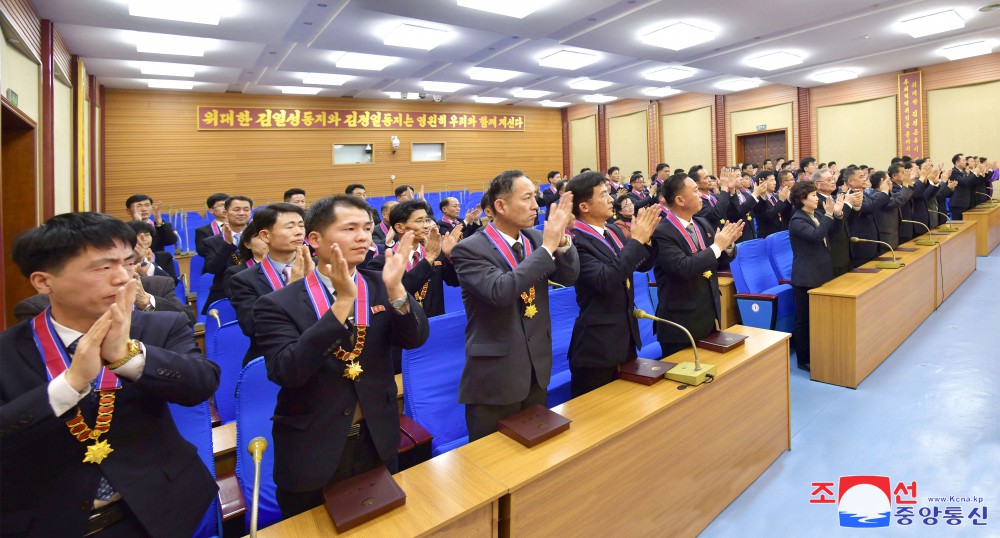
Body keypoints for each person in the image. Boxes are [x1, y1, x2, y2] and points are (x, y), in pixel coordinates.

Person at [2, 212, 220, 537]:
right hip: (49, 519)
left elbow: (201, 385)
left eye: (127, 263)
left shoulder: (159, 325)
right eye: (103, 267)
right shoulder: (9, 351)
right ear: (44, 281)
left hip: (165, 505)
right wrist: (70, 384)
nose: (122, 278)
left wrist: (127, 357)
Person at [252, 195, 429, 519]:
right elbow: (287, 371)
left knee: (384, 523)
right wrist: (341, 306)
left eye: (367, 228)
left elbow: (415, 338)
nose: (363, 236)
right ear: (315, 239)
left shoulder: (380, 284)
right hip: (312, 448)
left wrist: (397, 292)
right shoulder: (278, 304)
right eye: (350, 228)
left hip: (377, 438)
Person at [450, 170, 579, 441]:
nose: (536, 205)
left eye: (536, 197)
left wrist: (563, 239)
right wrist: (547, 248)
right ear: (500, 205)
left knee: (537, 448)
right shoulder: (470, 249)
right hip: (496, 375)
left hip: (536, 366)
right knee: (494, 460)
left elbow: (569, 276)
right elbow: (501, 291)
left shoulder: (533, 238)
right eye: (528, 198)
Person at [566, 172, 658, 396]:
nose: (611, 199)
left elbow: (639, 265)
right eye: (604, 194)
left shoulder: (613, 231)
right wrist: (636, 241)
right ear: (584, 207)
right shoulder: (576, 242)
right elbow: (606, 279)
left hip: (624, 336)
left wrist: (648, 240)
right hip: (596, 347)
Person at [652, 173, 742, 357]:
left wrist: (728, 245)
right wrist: (718, 246)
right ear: (679, 199)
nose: (701, 195)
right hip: (680, 324)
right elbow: (683, 268)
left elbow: (719, 259)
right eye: (695, 191)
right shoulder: (662, 232)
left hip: (708, 315)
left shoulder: (701, 222)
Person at [229, 203, 309, 366]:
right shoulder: (243, 280)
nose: (299, 232)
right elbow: (252, 327)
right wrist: (291, 289)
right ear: (265, 236)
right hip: (272, 360)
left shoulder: (320, 267)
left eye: (301, 225)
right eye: (289, 227)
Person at [369, 199, 462, 318]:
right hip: (403, 330)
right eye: (419, 221)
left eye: (427, 220)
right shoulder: (382, 263)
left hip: (436, 326)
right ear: (399, 227)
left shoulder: (435, 254)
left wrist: (450, 257)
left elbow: (454, 281)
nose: (427, 225)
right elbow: (401, 293)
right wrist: (429, 259)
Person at [788, 181, 842, 372]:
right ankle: (803, 359)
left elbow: (832, 232)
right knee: (805, 319)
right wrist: (829, 214)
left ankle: (820, 351)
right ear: (803, 199)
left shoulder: (817, 214)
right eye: (812, 195)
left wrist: (837, 214)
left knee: (821, 317)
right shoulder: (797, 220)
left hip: (822, 271)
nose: (816, 198)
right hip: (806, 276)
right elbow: (816, 236)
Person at [199, 195, 253, 313]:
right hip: (224, 294)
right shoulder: (212, 242)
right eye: (237, 209)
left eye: (246, 209)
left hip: (256, 290)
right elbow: (213, 268)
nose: (242, 213)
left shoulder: (260, 237)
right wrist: (227, 244)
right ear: (225, 213)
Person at [813, 169, 853, 277]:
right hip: (833, 253)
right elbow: (829, 228)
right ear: (818, 184)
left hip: (844, 249)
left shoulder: (834, 198)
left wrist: (855, 206)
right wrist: (847, 205)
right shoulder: (817, 202)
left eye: (833, 179)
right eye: (829, 179)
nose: (833, 182)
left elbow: (846, 220)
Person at [842, 167, 879, 267]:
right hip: (859, 245)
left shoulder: (865, 194)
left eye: (864, 176)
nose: (864, 179)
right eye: (861, 176)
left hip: (871, 242)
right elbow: (870, 208)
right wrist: (884, 192)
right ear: (851, 181)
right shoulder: (849, 197)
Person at [870, 169, 913, 250]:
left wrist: (908, 181)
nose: (891, 182)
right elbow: (898, 201)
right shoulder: (876, 196)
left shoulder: (890, 194)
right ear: (882, 181)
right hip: (885, 237)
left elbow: (901, 195)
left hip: (894, 235)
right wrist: (905, 183)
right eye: (888, 180)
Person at [221, 220, 266, 296]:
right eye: (261, 237)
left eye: (271, 236)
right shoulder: (235, 273)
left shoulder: (288, 267)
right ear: (248, 244)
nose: (268, 240)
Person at [752, 170, 787, 238]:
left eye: (774, 180)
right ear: (762, 183)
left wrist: (787, 199)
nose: (774, 183)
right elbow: (769, 216)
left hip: (781, 234)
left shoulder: (776, 196)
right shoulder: (758, 200)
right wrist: (781, 201)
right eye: (771, 180)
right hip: (768, 236)